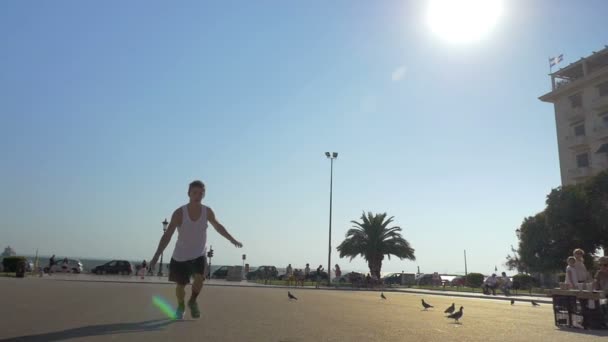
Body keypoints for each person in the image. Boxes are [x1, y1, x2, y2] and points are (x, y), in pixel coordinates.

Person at [150, 180, 243, 319]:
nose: (198, 195)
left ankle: (192, 301)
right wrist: (156, 255)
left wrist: (232, 239)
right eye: (195, 193)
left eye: (201, 193)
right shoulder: (179, 213)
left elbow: (218, 226)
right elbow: (167, 235)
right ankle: (181, 305)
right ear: (189, 194)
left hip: (199, 254)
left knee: (200, 278)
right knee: (180, 286)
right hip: (180, 256)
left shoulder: (207, 211)